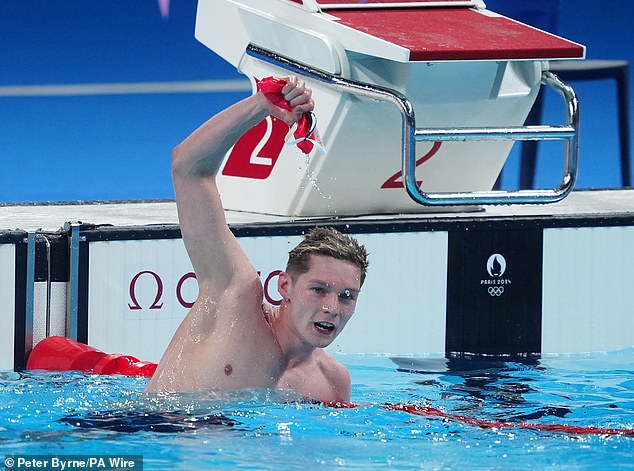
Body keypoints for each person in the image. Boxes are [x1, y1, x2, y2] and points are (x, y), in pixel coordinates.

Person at [146, 76, 369, 403]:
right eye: (318, 289)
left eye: (347, 296)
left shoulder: (331, 382)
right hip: (148, 430)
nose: (331, 308)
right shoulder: (234, 294)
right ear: (284, 286)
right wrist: (261, 107)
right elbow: (187, 167)